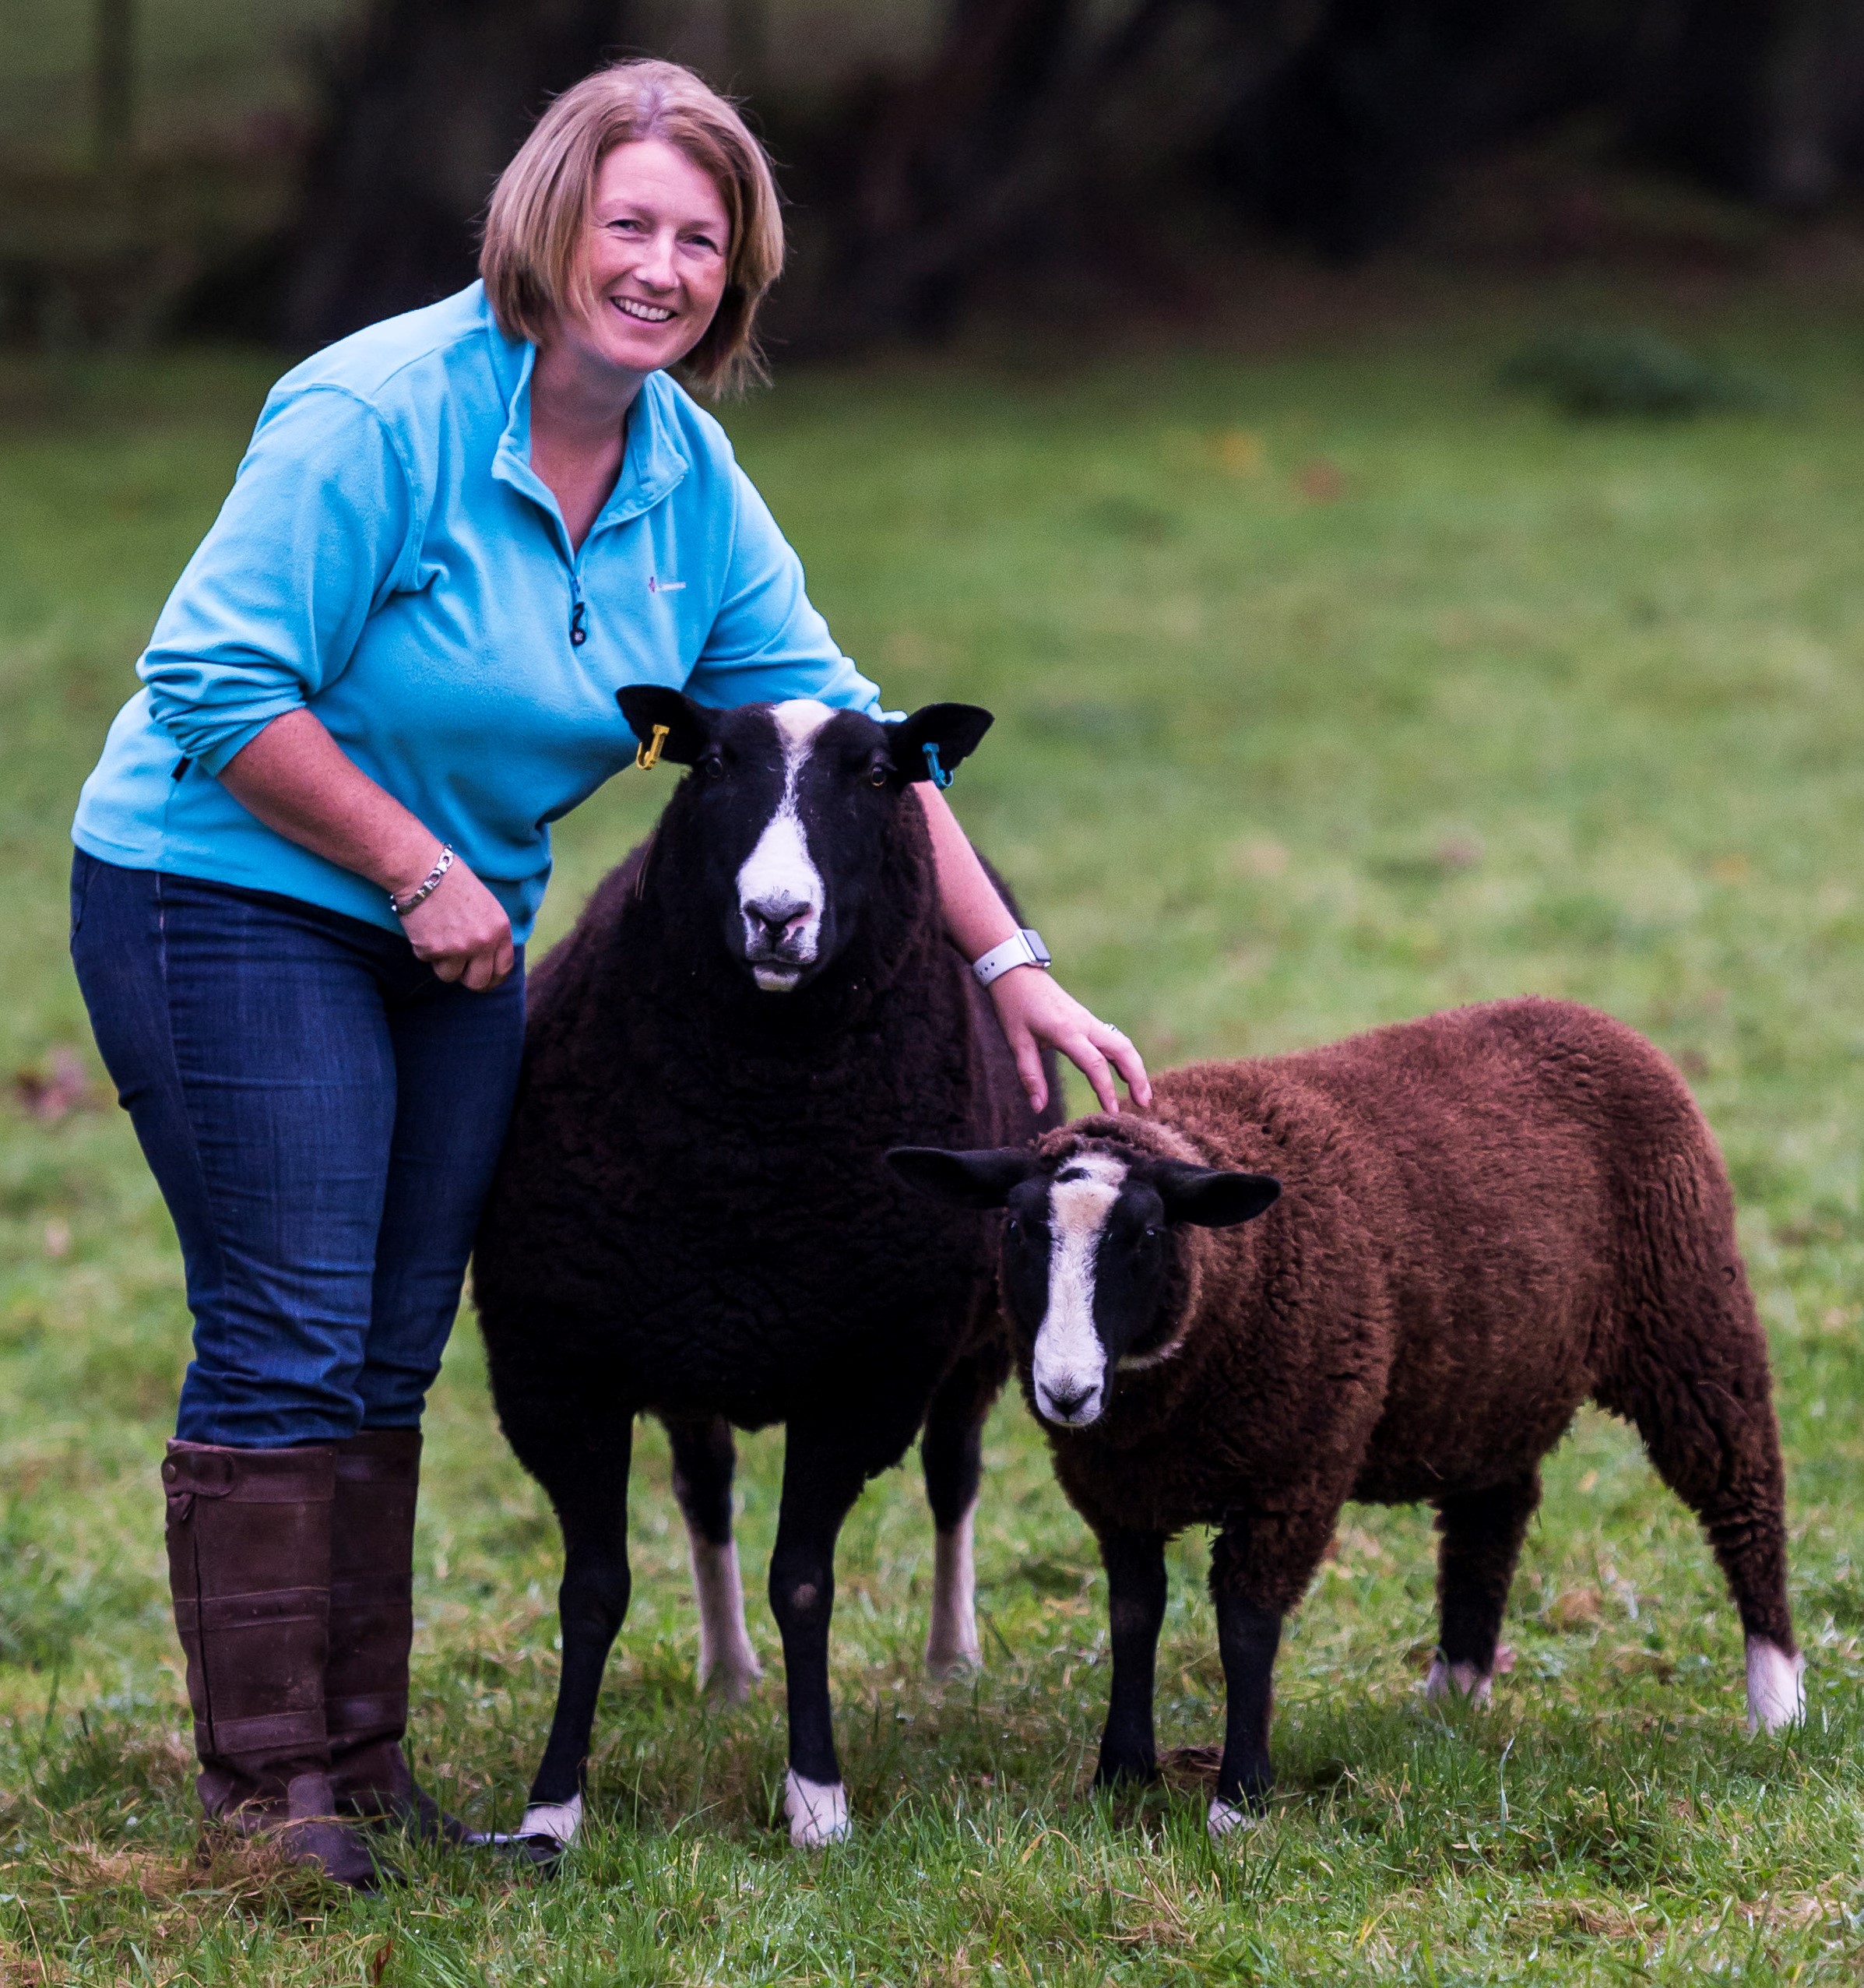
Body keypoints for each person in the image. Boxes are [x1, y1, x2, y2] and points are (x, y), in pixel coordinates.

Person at [68, 58, 1148, 1886]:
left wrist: (1013, 966)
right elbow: (214, 688)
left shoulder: (685, 472)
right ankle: (267, 1798)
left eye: (701, 241)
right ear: (547, 222)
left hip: (459, 926)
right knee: (294, 1327)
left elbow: (863, 745)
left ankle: (366, 1767)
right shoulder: (378, 414)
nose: (658, 266)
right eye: (628, 223)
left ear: (739, 273)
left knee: (398, 1338)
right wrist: (412, 866)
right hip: (232, 892)